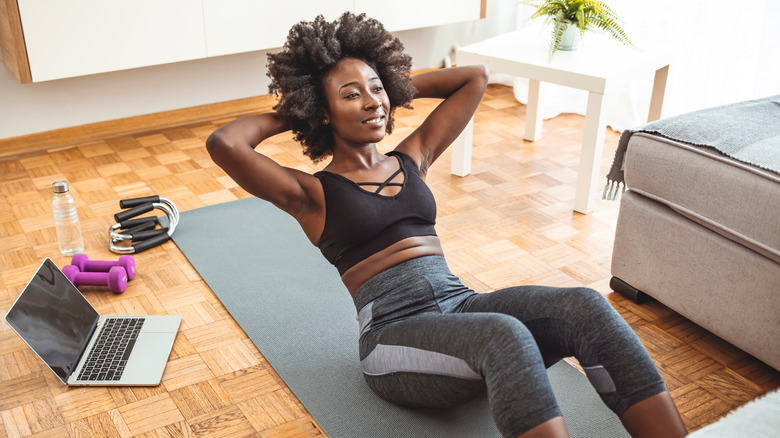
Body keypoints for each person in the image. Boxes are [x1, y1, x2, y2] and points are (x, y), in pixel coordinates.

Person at [207, 12, 687, 438]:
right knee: (503, 334)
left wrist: (388, 84)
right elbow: (226, 143)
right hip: (392, 338)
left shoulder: (411, 158)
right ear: (323, 111)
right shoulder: (310, 194)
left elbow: (474, 78)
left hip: (462, 307)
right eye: (351, 95)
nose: (372, 101)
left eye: (378, 89)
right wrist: (299, 107)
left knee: (583, 306)